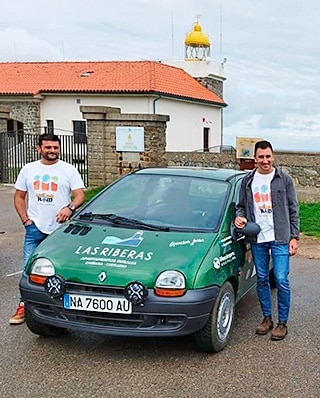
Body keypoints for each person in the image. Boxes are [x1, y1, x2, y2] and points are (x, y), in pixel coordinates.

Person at [9, 133, 85, 325]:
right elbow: (19, 197)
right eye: (48, 147)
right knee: (29, 270)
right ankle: (24, 307)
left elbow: (79, 196)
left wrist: (70, 208)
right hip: (35, 229)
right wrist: (26, 220)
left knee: (64, 270)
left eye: (55, 148)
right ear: (39, 149)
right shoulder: (28, 169)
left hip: (61, 231)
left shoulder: (68, 170)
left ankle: (63, 307)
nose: (52, 151)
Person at [234, 140, 299, 340]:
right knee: (261, 279)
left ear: (273, 156)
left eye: (268, 156)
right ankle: (267, 318)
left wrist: (294, 237)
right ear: (255, 159)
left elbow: (293, 209)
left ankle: (282, 323)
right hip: (258, 238)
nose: (265, 161)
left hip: (280, 237)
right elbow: (241, 206)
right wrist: (240, 216)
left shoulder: (284, 179)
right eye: (261, 157)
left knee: (280, 279)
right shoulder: (247, 181)